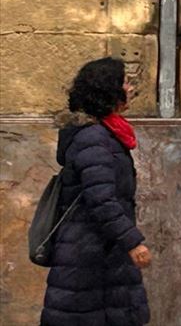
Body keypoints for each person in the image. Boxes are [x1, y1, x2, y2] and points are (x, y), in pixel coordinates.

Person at [41, 58, 151, 326]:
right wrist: (132, 241)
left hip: (101, 254)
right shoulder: (94, 138)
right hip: (88, 256)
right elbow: (101, 199)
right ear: (108, 90)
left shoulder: (106, 134)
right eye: (124, 82)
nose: (130, 88)